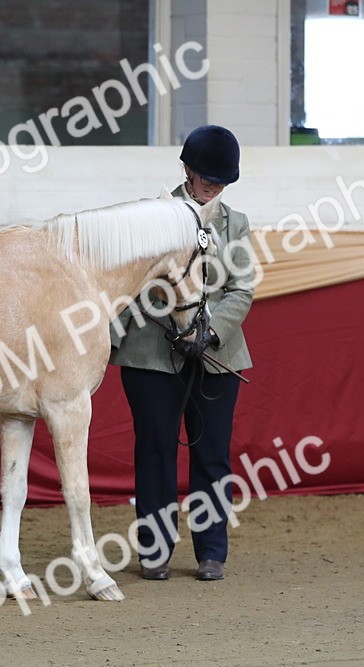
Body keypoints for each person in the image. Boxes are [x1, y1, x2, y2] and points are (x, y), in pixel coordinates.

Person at [109, 124, 256, 582]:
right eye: (206, 177)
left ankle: (211, 551)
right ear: (187, 169)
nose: (213, 186)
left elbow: (242, 289)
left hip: (216, 357)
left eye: (221, 181)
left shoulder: (235, 223)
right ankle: (154, 550)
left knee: (212, 455)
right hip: (151, 355)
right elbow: (128, 285)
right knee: (154, 452)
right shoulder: (151, 217)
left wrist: (210, 333)